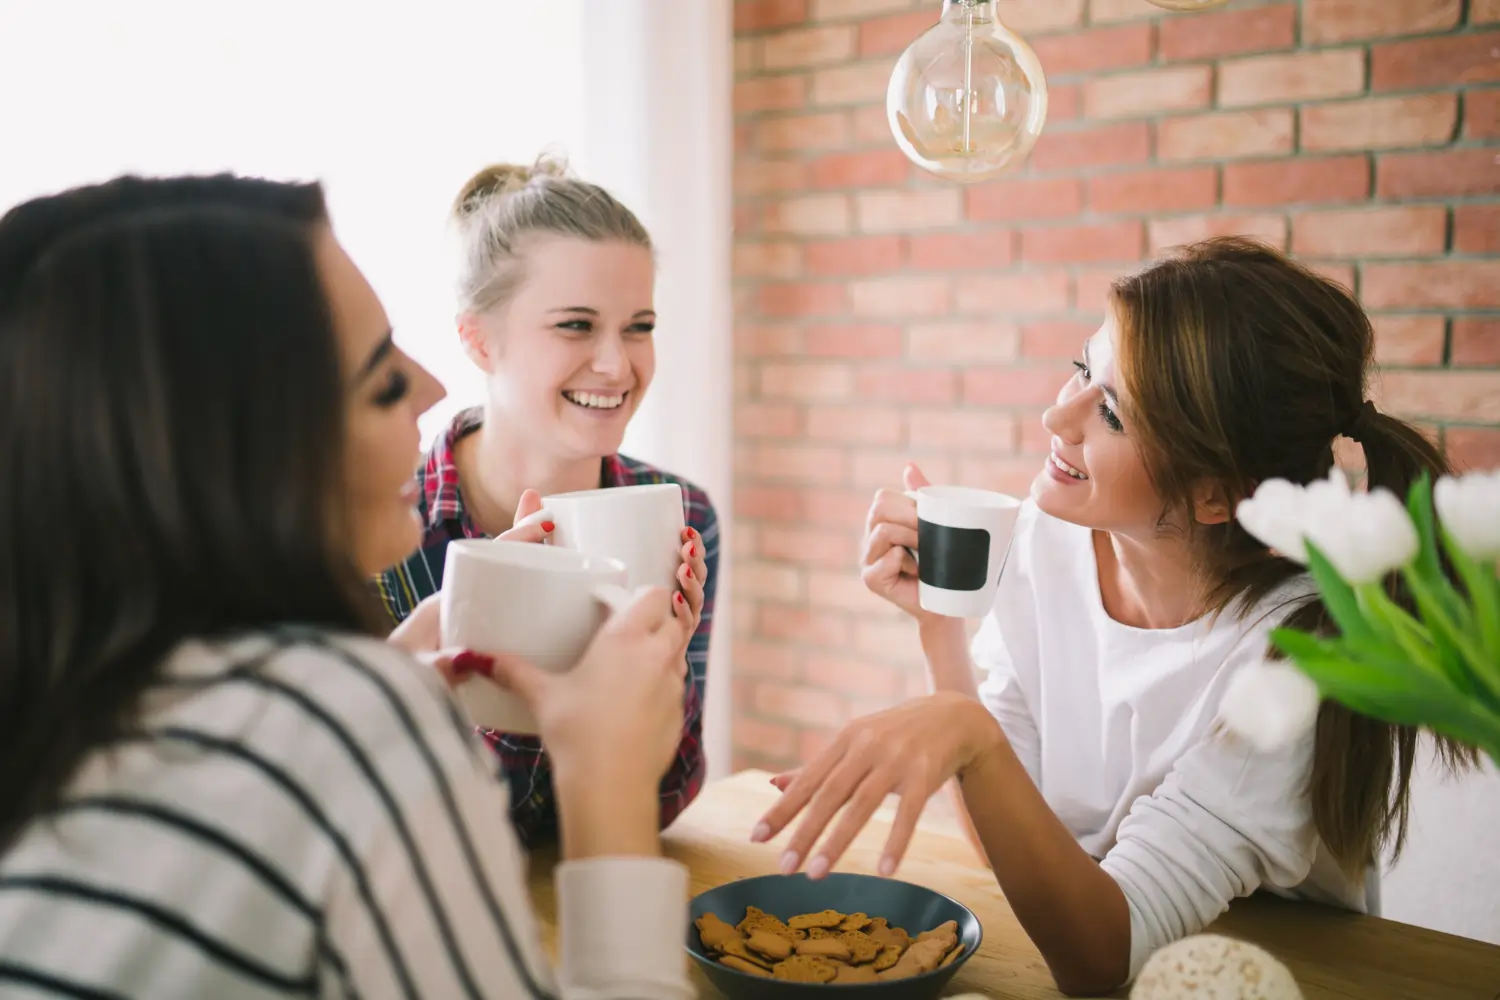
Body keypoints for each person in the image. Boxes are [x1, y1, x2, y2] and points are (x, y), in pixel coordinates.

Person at [0, 174, 697, 999]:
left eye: (639, 325)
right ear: (241, 451)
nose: (432, 391)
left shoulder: (59, 694)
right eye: (377, 376)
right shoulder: (344, 723)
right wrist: (603, 777)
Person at [751, 238, 1476, 995]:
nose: (1056, 415)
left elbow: (1103, 959)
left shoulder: (1299, 660)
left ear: (1216, 493)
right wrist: (943, 626)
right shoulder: (1047, 541)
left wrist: (963, 731)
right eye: (1081, 370)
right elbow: (1012, 839)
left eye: (1114, 414)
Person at [377, 157, 719, 846]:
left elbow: (665, 800)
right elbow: (369, 814)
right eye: (574, 325)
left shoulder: (684, 515)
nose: (617, 365)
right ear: (478, 339)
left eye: (639, 326)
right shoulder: (381, 526)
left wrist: (657, 690)